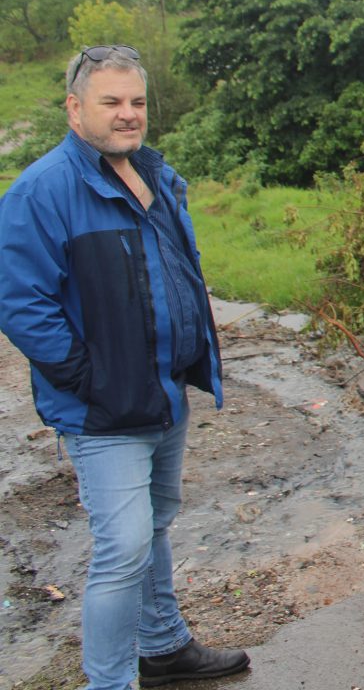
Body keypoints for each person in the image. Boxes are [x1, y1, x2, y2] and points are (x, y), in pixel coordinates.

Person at [0, 46, 250, 689]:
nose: (128, 114)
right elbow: (21, 304)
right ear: (75, 108)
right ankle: (107, 684)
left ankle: (163, 646)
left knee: (155, 526)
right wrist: (90, 379)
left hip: (165, 393)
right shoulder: (42, 191)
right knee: (122, 548)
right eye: (111, 102)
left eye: (137, 101)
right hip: (105, 407)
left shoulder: (154, 175)